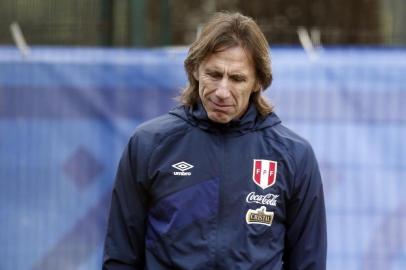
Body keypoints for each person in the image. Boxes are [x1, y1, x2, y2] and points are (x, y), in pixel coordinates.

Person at [103, 11, 327, 270]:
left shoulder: (294, 155)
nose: (222, 91)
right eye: (214, 74)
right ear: (195, 69)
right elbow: (121, 257)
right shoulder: (149, 144)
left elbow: (308, 263)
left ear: (257, 82)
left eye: (237, 79)